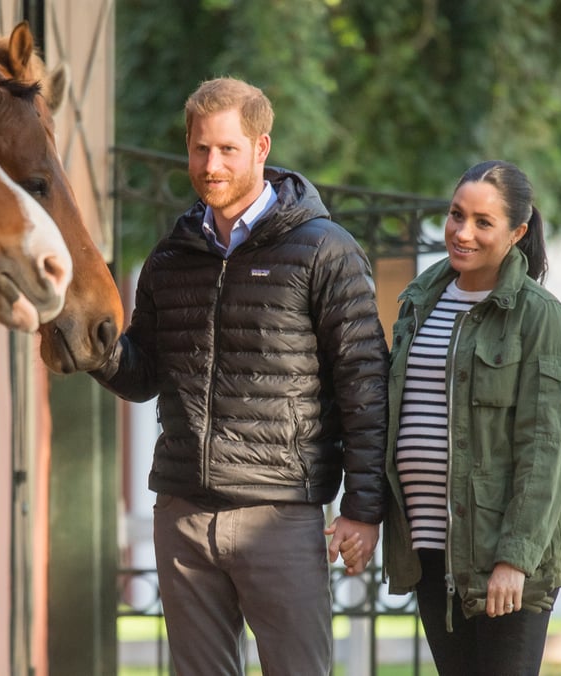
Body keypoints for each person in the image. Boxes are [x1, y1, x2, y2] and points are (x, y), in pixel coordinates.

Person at [92, 77, 389, 675]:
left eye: (228, 148)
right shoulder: (171, 257)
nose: (212, 164)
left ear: (261, 147)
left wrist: (363, 507)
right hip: (183, 511)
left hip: (278, 511)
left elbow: (364, 382)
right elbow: (144, 373)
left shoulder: (324, 250)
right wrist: (94, 352)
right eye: (201, 148)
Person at [382, 160, 561, 675]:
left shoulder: (539, 316)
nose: (462, 233)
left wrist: (514, 559)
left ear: (517, 233)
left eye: (483, 222)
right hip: (431, 548)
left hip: (504, 556)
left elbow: (545, 447)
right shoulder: (418, 304)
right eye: (455, 215)